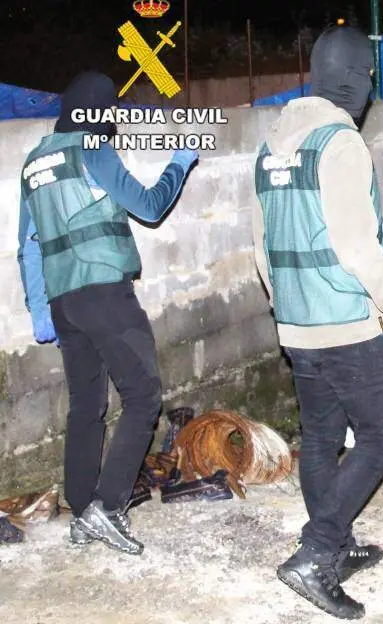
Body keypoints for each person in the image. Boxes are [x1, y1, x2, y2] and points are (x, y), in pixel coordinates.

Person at [251, 26, 383, 619]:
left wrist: (286, 307)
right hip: (346, 324)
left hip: (298, 325)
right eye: (368, 78)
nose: (370, 89)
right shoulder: (340, 142)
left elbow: (261, 246)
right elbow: (358, 249)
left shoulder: (272, 145)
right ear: (351, 80)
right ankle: (316, 553)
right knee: (380, 439)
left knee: (321, 438)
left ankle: (336, 545)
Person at [16, 71, 198, 554]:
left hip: (64, 302)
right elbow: (150, 206)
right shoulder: (93, 148)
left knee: (86, 407)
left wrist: (39, 311)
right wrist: (179, 163)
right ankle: (108, 506)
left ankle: (82, 510)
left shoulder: (33, 163)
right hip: (104, 294)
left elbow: (28, 247)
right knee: (143, 396)